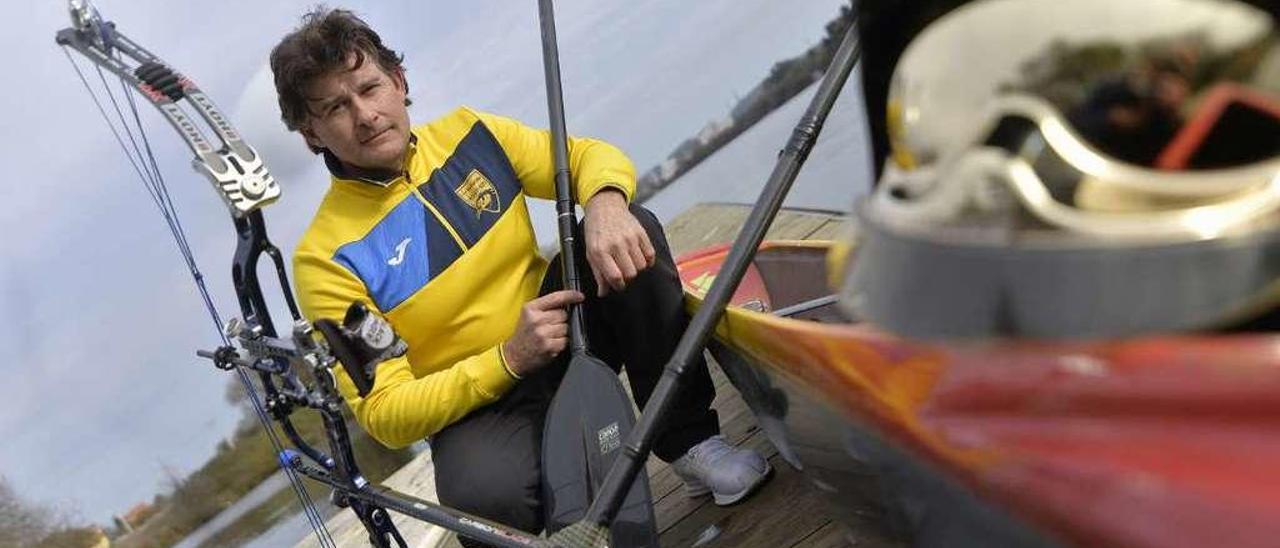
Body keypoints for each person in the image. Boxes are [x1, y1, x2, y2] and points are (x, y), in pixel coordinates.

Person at [269, 7, 771, 542]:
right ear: (311, 133)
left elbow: (584, 156)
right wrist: (506, 359)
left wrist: (603, 203)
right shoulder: (325, 258)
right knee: (485, 503)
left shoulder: (471, 134)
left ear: (398, 81)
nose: (365, 115)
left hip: (567, 328)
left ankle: (690, 443)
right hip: (477, 403)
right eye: (336, 108)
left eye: (370, 88)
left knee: (633, 230)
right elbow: (386, 412)